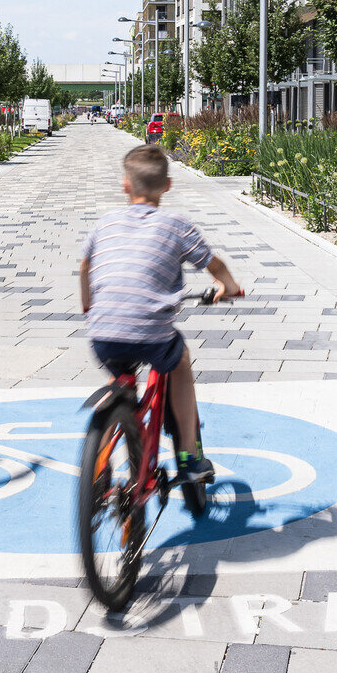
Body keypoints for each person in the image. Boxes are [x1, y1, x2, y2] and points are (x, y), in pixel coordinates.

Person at [78, 144, 244, 480]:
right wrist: (228, 286)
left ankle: (98, 461)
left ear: (126, 184)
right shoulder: (176, 224)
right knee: (179, 360)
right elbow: (214, 264)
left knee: (120, 372)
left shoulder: (106, 222)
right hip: (152, 335)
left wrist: (88, 305)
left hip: (101, 334)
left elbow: (85, 267)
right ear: (167, 185)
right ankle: (187, 455)